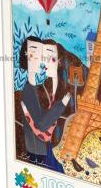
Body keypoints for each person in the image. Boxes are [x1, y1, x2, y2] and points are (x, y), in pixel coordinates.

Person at [19, 36, 71, 173]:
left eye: (42, 54)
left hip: (45, 149)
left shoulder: (38, 88)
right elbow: (42, 124)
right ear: (26, 54)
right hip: (37, 152)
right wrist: (62, 104)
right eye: (34, 52)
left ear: (59, 61)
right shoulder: (29, 90)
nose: (40, 59)